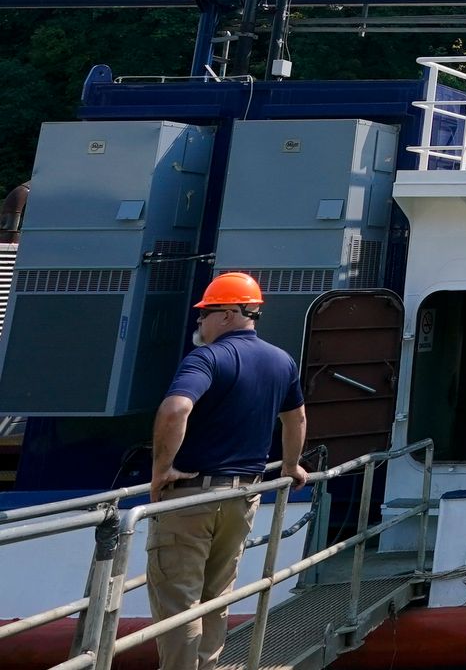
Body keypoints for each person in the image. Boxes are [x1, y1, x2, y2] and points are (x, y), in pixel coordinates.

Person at [147, 272, 308, 670]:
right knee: (217, 596)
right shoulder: (281, 360)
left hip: (192, 495)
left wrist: (161, 470)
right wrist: (290, 466)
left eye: (204, 314)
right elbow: (296, 418)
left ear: (229, 314)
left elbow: (175, 409)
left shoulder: (206, 358)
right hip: (243, 498)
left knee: (179, 603)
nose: (198, 323)